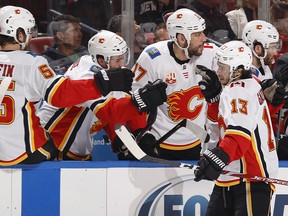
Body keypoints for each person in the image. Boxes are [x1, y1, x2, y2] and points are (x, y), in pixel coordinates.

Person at [0, 5, 136, 165]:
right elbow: (60, 95)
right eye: (29, 32)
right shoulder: (31, 62)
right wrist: (101, 84)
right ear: (19, 34)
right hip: (27, 151)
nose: (31, 37)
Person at [38, 30, 167, 160]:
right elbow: (109, 111)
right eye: (117, 59)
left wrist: (133, 135)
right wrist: (141, 101)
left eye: (123, 57)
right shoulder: (86, 75)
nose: (122, 64)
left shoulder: (111, 74)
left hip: (73, 148)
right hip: (53, 144)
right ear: (101, 61)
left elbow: (119, 103)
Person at [195, 40, 278, 216]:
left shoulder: (240, 90)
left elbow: (239, 135)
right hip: (231, 175)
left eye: (223, 68)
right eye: (218, 66)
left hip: (250, 176)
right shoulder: (246, 84)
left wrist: (217, 157)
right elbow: (222, 125)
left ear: (238, 70)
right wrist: (213, 101)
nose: (218, 72)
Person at [132, 8, 219, 160]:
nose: (204, 38)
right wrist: (140, 131)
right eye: (197, 34)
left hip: (198, 143)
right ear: (181, 38)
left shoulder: (211, 55)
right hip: (159, 143)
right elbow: (133, 99)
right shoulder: (152, 57)